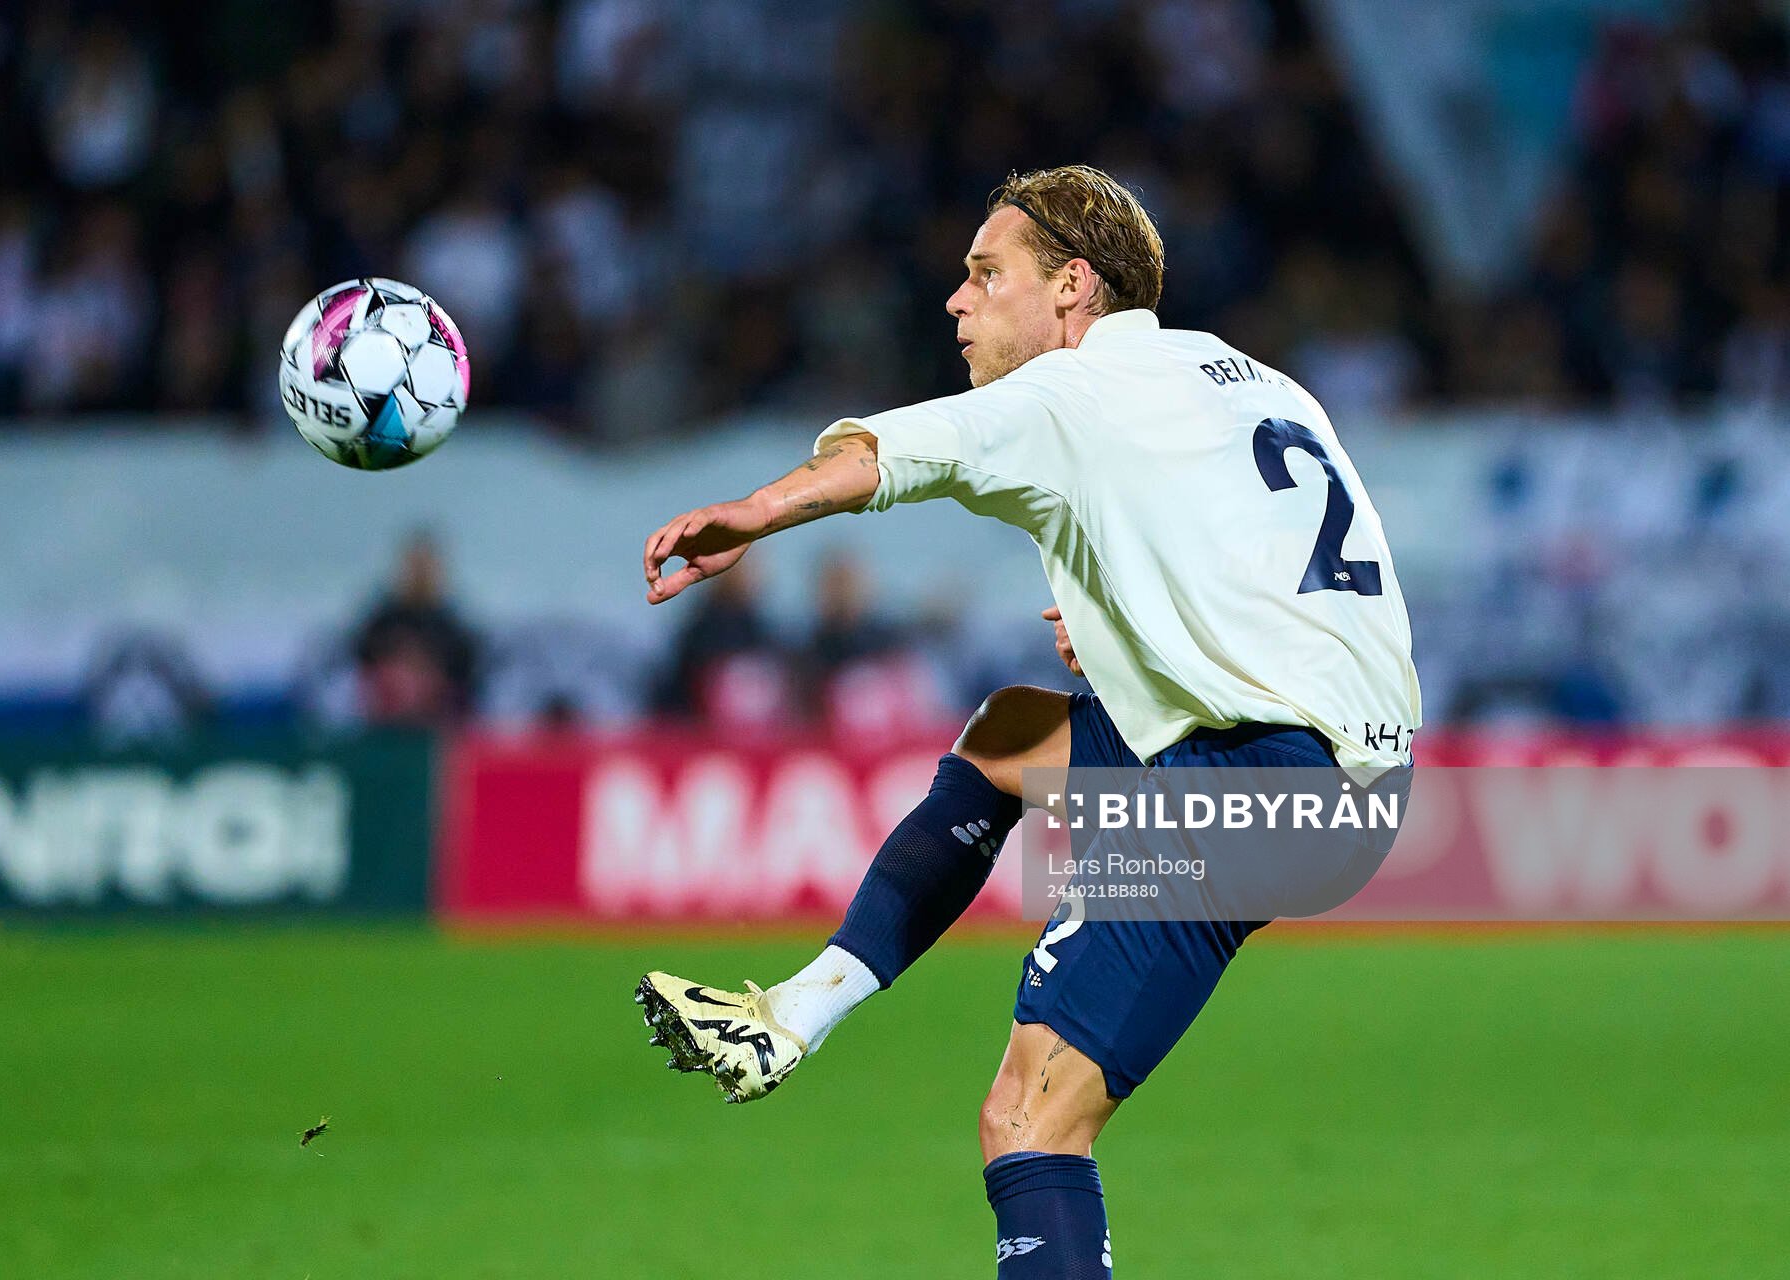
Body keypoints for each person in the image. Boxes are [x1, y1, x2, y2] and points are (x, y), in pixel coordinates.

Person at [631, 166, 1420, 1278]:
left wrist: (753, 513)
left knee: (1027, 1120)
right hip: (1331, 775)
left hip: (1255, 786)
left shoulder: (1071, 393)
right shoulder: (1262, 387)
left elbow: (889, 457)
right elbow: (1295, 577)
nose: (956, 302)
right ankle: (797, 1011)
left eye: (983, 273)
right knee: (1006, 738)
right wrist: (1125, 624)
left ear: (1071, 290)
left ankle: (798, 1025)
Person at [352, 533, 480, 726]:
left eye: (426, 567)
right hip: (381, 727)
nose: (420, 574)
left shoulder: (453, 628)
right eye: (415, 566)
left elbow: (467, 685)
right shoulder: (381, 624)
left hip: (437, 728)